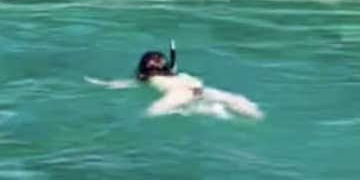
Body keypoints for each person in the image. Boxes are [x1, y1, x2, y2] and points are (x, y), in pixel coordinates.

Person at [89, 42, 263, 121]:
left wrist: (101, 84)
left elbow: (123, 84)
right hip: (198, 88)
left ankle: (204, 110)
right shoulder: (175, 74)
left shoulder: (147, 79)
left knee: (150, 114)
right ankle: (249, 112)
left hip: (179, 93)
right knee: (231, 99)